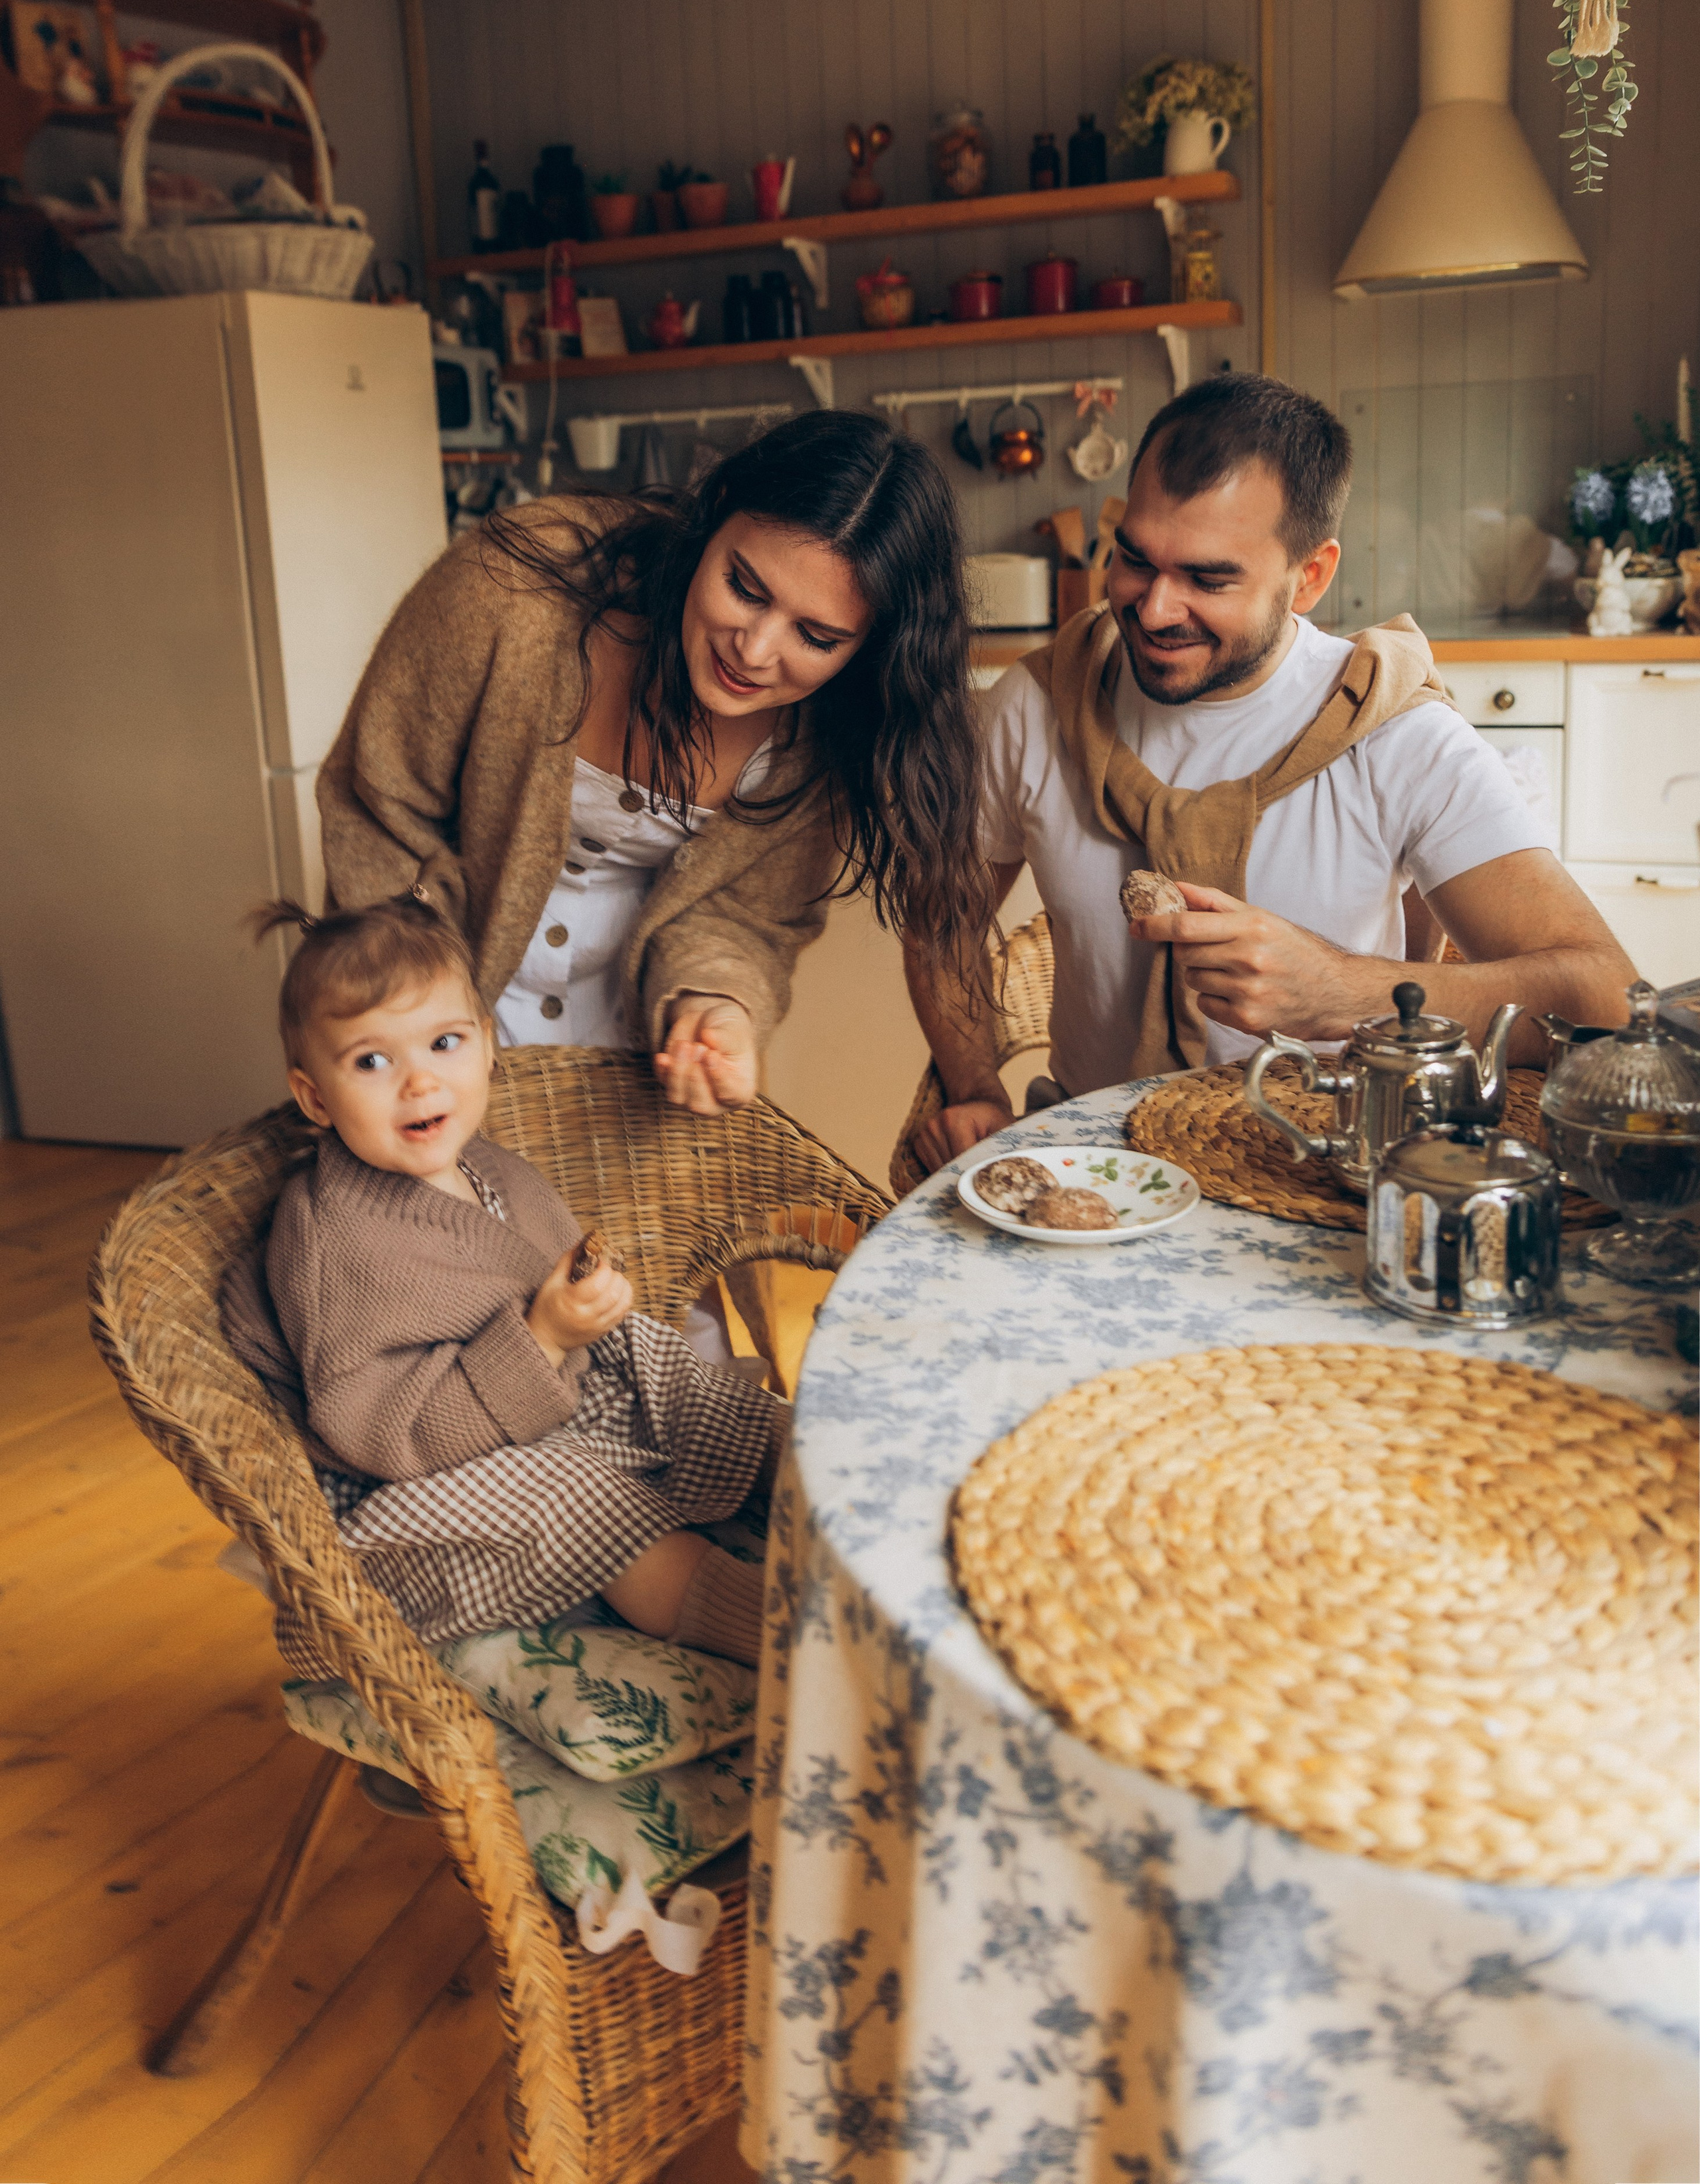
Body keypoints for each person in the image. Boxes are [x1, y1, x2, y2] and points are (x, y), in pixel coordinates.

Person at [908, 373, 1634, 1171]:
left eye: (1208, 579)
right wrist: (974, 1083)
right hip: (1092, 1167)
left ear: (1310, 577)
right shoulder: (1037, 702)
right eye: (1135, 560)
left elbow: (1605, 999)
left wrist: (1342, 993)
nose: (1152, 609)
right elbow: (940, 910)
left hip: (1316, 1175)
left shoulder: (1396, 734)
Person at [319, 410, 989, 1122]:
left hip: (635, 1066)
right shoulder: (512, 591)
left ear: (867, 648)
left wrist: (715, 1004)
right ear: (713, 518)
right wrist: (426, 1029)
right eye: (745, 587)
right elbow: (379, 811)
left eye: (816, 635)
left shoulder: (828, 730)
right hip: (425, 1027)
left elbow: (742, 916)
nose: (755, 651)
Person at [221, 892, 788, 1669]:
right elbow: (381, 1428)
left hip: (546, 1412)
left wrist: (588, 1310)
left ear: (488, 1045)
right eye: (372, 1061)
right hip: (426, 1494)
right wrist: (545, 1336)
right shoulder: (331, 1238)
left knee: (685, 1378)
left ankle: (818, 1472)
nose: (420, 1083)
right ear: (315, 1095)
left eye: (444, 1042)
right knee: (587, 1505)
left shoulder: (489, 1165)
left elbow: (546, 1277)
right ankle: (776, 1628)